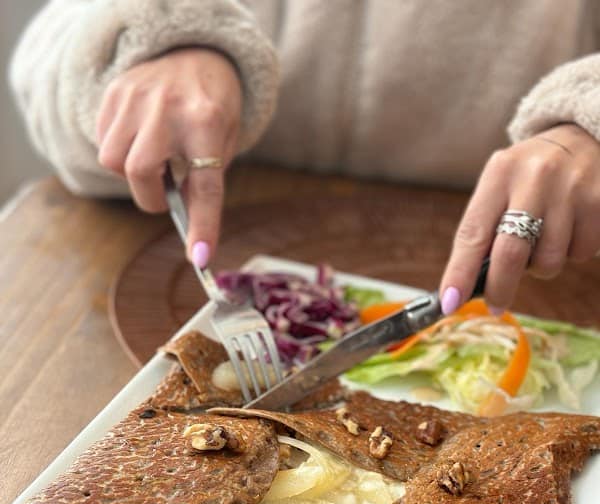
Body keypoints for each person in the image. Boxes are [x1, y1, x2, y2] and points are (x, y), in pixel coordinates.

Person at [9, 0, 600, 315]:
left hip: (542, 287)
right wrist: (157, 43)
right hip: (173, 279)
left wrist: (588, 117)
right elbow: (51, 51)